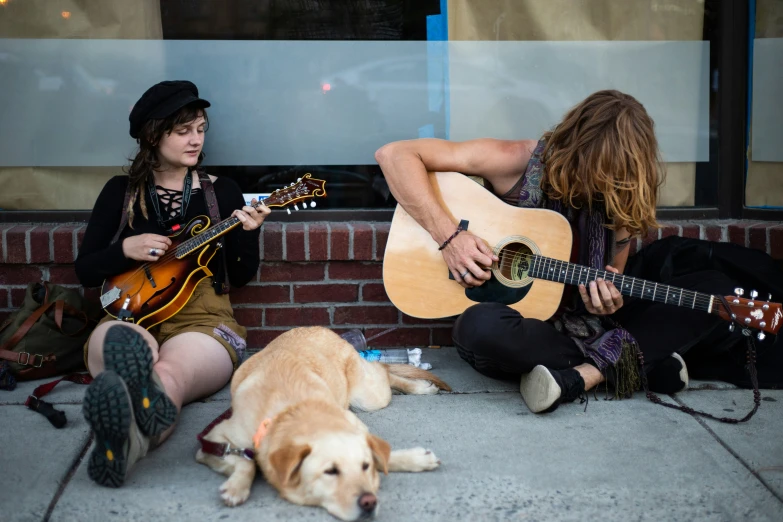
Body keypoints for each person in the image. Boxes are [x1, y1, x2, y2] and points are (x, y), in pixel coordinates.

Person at [375, 89, 778, 415]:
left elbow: (612, 279)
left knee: (715, 288)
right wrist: (449, 237)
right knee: (480, 327)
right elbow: (394, 155)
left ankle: (584, 376)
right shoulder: (517, 160)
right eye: (593, 171)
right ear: (575, 145)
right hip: (532, 332)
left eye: (613, 178)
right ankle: (636, 362)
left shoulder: (620, 194)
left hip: (587, 327)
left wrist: (608, 300)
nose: (599, 186)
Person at [75, 80, 269, 487]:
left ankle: (120, 446)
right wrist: (124, 248)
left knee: (171, 376)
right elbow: (87, 271)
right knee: (126, 353)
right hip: (130, 311)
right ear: (153, 134)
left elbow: (242, 276)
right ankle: (128, 432)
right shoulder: (121, 192)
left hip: (201, 318)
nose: (195, 139)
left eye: (200, 129)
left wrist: (247, 232)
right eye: (183, 131)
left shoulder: (222, 193)